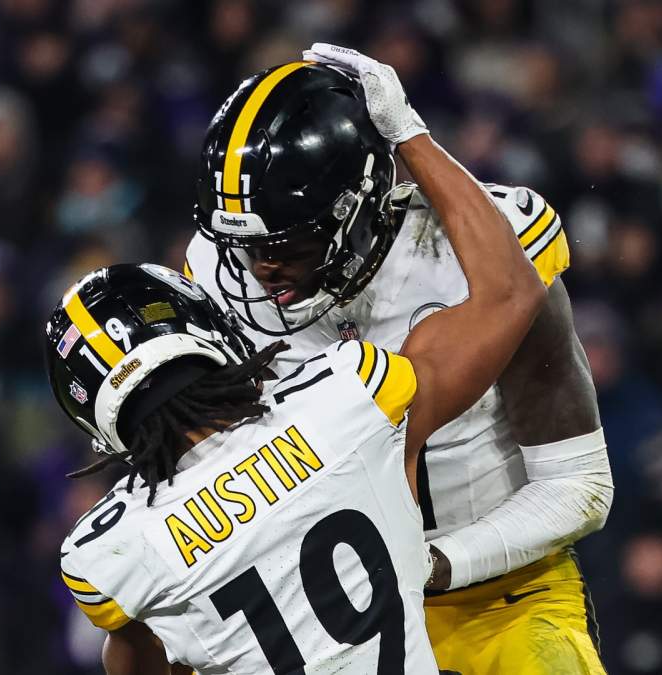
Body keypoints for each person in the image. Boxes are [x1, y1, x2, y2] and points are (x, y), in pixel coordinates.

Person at [46, 85, 548, 672]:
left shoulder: (108, 551)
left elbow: (139, 655)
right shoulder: (347, 398)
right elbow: (510, 291)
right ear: (209, 331)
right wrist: (411, 135)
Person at [184, 44, 612, 673]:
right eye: (246, 247)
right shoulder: (219, 275)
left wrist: (429, 566)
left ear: (357, 206)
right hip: (336, 612)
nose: (261, 268)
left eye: (288, 244)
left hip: (503, 598)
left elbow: (579, 485)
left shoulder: (483, 257)